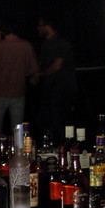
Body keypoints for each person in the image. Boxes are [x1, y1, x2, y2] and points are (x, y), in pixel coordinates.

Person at [0, 17, 38, 135]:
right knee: (17, 131)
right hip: (18, 91)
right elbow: (33, 68)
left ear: (1, 30)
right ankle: (17, 147)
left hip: (0, 91)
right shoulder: (26, 45)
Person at [31, 14, 78, 143]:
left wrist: (40, 74)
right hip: (50, 87)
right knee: (45, 120)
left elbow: (57, 66)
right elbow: (42, 63)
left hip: (63, 88)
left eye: (40, 25)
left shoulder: (61, 43)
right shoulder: (45, 44)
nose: (38, 28)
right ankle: (51, 146)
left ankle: (64, 146)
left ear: (48, 26)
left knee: (60, 121)